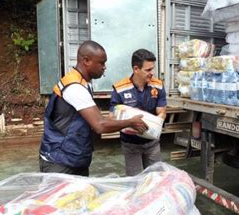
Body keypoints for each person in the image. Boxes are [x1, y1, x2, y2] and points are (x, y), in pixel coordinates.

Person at [39, 40, 148, 176]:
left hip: (74, 156)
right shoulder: (75, 87)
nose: (104, 67)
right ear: (86, 61)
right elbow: (100, 125)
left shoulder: (83, 83)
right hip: (60, 161)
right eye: (101, 63)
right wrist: (130, 122)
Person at [110, 49, 167, 176]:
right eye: (148, 70)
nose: (152, 73)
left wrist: (155, 125)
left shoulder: (158, 86)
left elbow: (162, 111)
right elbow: (112, 117)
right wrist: (130, 124)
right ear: (136, 69)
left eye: (153, 69)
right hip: (130, 144)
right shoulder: (120, 89)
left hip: (152, 143)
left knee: (156, 178)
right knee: (134, 181)